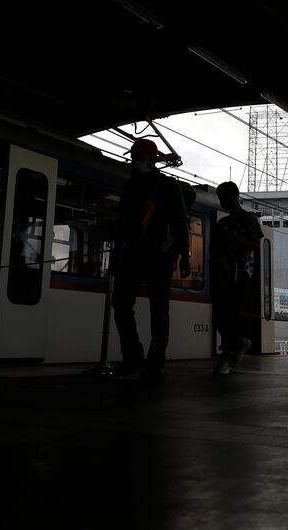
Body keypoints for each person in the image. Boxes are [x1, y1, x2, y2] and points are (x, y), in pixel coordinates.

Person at [111, 138, 190, 380]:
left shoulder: (168, 186)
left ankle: (155, 362)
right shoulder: (130, 185)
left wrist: (184, 256)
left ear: (153, 160)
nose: (137, 162)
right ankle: (134, 357)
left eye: (141, 158)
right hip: (134, 253)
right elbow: (123, 224)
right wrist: (117, 253)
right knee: (121, 304)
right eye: (134, 157)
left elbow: (180, 222)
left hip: (160, 256)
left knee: (159, 309)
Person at [211, 182, 263, 375]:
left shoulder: (248, 219)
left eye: (225, 197)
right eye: (220, 197)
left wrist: (236, 239)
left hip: (241, 275)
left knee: (229, 315)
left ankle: (226, 356)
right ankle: (239, 343)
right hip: (224, 274)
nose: (223, 201)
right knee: (220, 317)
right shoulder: (222, 223)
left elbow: (256, 245)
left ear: (235, 196)